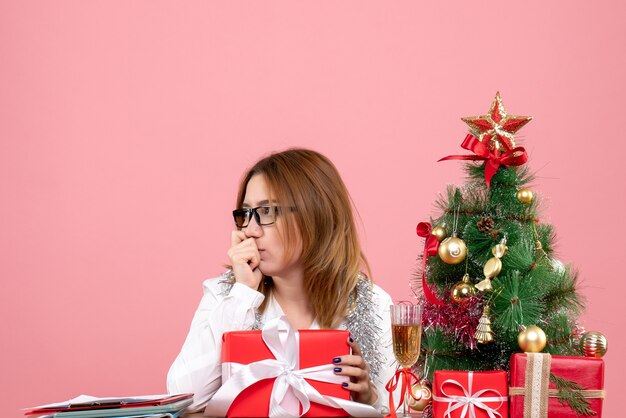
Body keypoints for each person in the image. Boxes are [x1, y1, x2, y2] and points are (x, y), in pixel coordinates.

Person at [166, 148, 395, 414]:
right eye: (246, 214)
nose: (250, 231)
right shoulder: (226, 295)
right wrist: (242, 294)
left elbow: (404, 405)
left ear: (315, 214)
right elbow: (183, 397)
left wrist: (368, 398)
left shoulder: (372, 303)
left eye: (265, 211)